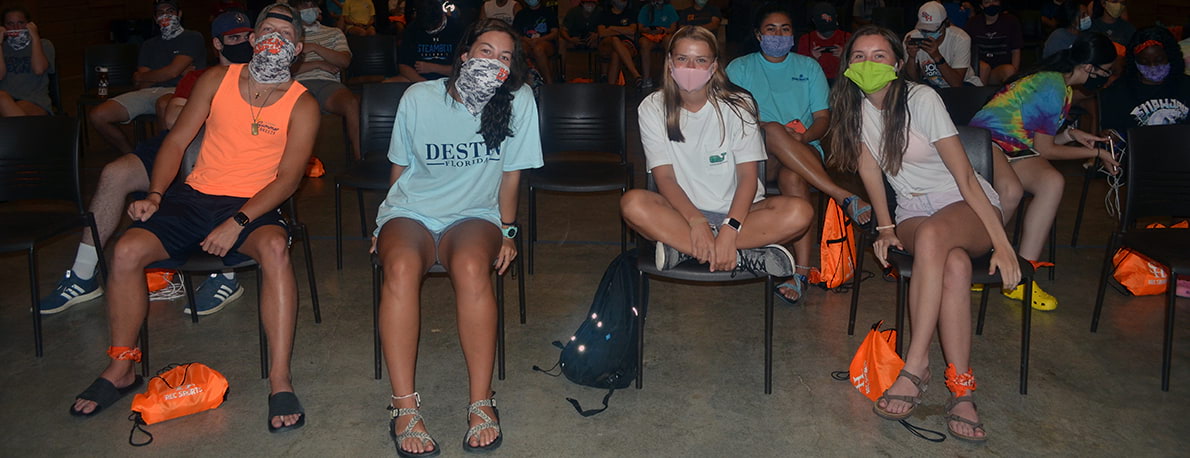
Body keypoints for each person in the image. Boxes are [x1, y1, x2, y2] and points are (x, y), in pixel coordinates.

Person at [68, 4, 318, 434]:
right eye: (267, 30)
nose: (274, 38)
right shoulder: (216, 81)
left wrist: (238, 222)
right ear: (254, 41)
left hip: (253, 204)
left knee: (275, 249)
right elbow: (177, 140)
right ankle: (121, 368)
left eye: (284, 33)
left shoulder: (303, 104)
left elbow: (289, 179)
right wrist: (155, 194)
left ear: (296, 49)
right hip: (195, 197)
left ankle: (280, 380)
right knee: (127, 249)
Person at [827, 24, 1019, 444]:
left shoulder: (921, 99)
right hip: (913, 208)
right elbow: (869, 171)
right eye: (859, 56)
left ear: (897, 63)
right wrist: (884, 226)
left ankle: (914, 368)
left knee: (935, 238)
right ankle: (962, 387)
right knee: (952, 263)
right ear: (847, 67)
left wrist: (1004, 246)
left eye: (880, 56)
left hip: (965, 205)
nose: (869, 64)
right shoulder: (853, 106)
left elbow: (967, 177)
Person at [375, 17, 540, 457]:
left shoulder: (519, 100)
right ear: (464, 55)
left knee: (471, 267)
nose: (494, 63)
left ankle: (481, 401)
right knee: (402, 265)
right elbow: (400, 168)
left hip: (474, 214)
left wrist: (507, 230)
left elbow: (511, 174)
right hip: (411, 210)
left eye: (505, 57)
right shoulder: (418, 97)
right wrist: (383, 224)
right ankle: (404, 406)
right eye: (486, 51)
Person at [39, 11, 256, 316]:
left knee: (211, 167)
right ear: (218, 44)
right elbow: (172, 119)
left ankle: (225, 275)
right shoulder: (198, 77)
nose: (243, 44)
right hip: (181, 143)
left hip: (225, 155)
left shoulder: (261, 76)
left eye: (248, 37)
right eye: (234, 38)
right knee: (115, 172)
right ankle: (83, 274)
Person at [621, 25, 810, 281]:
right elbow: (664, 177)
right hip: (683, 213)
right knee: (633, 204)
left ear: (714, 66)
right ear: (669, 62)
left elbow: (747, 177)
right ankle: (744, 257)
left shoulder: (739, 104)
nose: (690, 67)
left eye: (700, 60)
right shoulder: (652, 107)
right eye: (682, 59)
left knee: (801, 212)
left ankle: (686, 249)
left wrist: (730, 229)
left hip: (741, 215)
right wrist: (697, 223)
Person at [726, 3, 872, 304]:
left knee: (794, 177)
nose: (778, 35)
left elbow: (822, 119)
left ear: (794, 35)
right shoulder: (739, 68)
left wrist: (804, 136)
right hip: (755, 155)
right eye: (771, 29)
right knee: (773, 130)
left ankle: (802, 271)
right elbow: (732, 119)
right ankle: (841, 194)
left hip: (804, 152)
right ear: (757, 34)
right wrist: (771, 129)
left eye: (785, 29)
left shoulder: (808, 67)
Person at [969, 32, 1120, 311]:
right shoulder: (1053, 85)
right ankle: (979, 261)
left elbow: (1041, 140)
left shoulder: (1061, 85)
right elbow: (1046, 150)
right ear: (1089, 68)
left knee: (1051, 181)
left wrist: (1074, 134)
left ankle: (1022, 277)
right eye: (1106, 71)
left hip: (1012, 146)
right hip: (982, 142)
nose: (1107, 77)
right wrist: (1096, 152)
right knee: (1011, 190)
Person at [89, 0, 207, 155]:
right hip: (148, 92)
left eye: (170, 11)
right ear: (155, 17)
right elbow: (142, 84)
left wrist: (149, 75)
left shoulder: (192, 37)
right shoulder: (148, 45)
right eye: (160, 12)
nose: (165, 16)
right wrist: (169, 72)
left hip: (178, 91)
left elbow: (170, 72)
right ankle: (132, 155)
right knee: (98, 115)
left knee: (164, 104)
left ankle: (165, 158)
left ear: (179, 14)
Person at [293, 0, 362, 159]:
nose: (309, 9)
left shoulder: (334, 33)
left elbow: (344, 61)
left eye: (312, 5)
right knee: (300, 106)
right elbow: (286, 69)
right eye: (304, 5)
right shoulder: (290, 35)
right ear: (295, 10)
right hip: (299, 85)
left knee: (352, 104)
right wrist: (319, 64)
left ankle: (360, 160)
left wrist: (315, 47)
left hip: (329, 86)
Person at [1099, 27, 1190, 132]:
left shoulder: (1186, 86)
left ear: (1170, 56)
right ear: (1135, 62)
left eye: (1159, 60)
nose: (1152, 66)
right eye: (1144, 62)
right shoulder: (1118, 92)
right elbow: (1111, 131)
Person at [903, 1, 982, 89]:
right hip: (932, 85)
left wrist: (937, 56)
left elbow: (956, 84)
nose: (927, 34)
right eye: (924, 30)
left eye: (932, 30)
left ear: (945, 24)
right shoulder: (912, 37)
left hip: (964, 84)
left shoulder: (961, 38)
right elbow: (913, 82)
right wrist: (911, 57)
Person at [387, 0, 466, 82]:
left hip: (449, 79)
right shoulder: (412, 29)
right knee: (387, 84)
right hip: (419, 80)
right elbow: (403, 65)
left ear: (442, 15)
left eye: (434, 27)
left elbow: (463, 69)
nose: (431, 30)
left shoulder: (458, 29)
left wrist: (433, 68)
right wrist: (423, 84)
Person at [0, 7, 52, 117]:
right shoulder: (2, 47)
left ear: (29, 24)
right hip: (5, 101)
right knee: (2, 98)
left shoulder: (44, 44)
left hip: (35, 101)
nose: (16, 27)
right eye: (10, 24)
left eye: (21, 23)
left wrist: (35, 37)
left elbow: (39, 69)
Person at [963, 0, 1022, 85]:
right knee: (983, 68)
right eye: (987, 2)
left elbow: (1016, 50)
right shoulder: (973, 23)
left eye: (995, 1)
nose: (992, 4)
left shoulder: (1011, 21)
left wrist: (1015, 74)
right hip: (980, 68)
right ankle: (980, 96)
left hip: (1000, 68)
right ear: (981, 6)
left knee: (1010, 70)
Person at [796, 1, 850, 81]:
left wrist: (844, 56)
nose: (828, 34)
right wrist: (812, 59)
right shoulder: (806, 39)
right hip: (815, 80)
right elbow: (799, 69)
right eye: (824, 30)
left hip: (841, 80)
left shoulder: (847, 37)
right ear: (813, 21)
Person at [596, 0, 642, 86]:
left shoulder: (630, 13)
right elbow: (602, 33)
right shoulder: (604, 14)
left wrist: (611, 28)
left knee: (616, 53)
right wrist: (623, 31)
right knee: (615, 40)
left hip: (626, 45)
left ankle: (611, 87)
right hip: (607, 44)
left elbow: (632, 31)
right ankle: (635, 74)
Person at [513, 0, 559, 83]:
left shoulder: (548, 12)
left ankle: (549, 82)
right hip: (527, 42)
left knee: (538, 49)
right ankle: (524, 82)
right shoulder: (521, 14)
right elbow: (516, 34)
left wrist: (540, 39)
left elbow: (555, 33)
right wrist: (528, 40)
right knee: (521, 49)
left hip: (546, 42)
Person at [636, 0, 679, 89]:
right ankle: (646, 78)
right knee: (643, 43)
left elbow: (673, 28)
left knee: (669, 40)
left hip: (665, 36)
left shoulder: (669, 8)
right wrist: (649, 30)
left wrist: (662, 30)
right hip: (649, 37)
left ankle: (668, 76)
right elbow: (640, 28)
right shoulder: (645, 8)